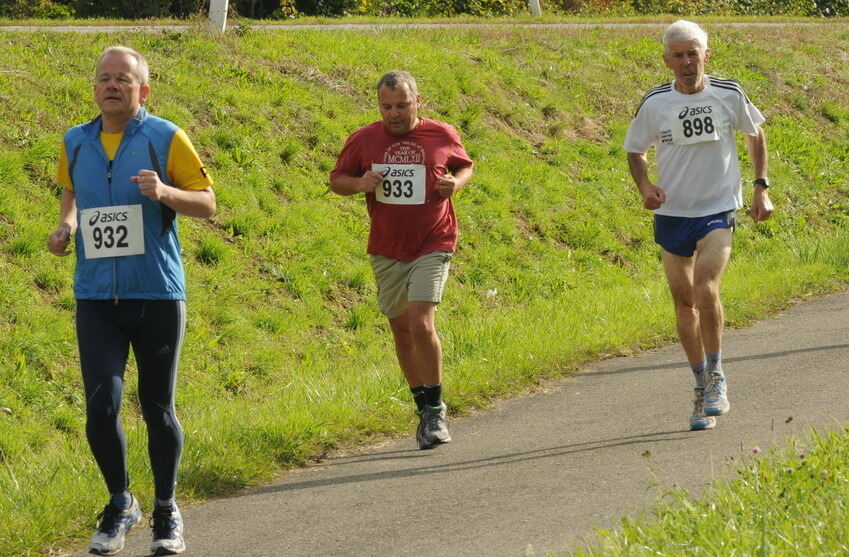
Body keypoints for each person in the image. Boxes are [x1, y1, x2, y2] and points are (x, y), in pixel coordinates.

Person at [47, 46, 215, 556]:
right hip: (96, 296)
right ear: (94, 88)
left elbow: (207, 204)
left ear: (144, 90)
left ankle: (167, 509)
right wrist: (65, 227)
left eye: (123, 79)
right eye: (103, 79)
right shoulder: (76, 142)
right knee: (101, 408)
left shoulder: (166, 137)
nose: (111, 86)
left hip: (157, 294)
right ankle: (121, 502)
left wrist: (164, 192)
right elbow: (72, 193)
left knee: (157, 406)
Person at [623, 20, 773, 431]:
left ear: (707, 54)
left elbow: (754, 133)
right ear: (667, 60)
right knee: (684, 303)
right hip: (673, 214)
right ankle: (700, 384)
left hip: (717, 209)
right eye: (678, 55)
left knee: (707, 288)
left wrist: (761, 187)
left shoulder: (728, 93)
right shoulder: (655, 102)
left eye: (693, 53)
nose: (687, 62)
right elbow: (635, 150)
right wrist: (645, 185)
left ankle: (718, 375)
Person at [329, 70, 474, 450]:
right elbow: (336, 178)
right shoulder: (364, 139)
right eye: (386, 106)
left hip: (434, 241)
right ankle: (423, 407)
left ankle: (436, 410)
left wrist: (455, 184)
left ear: (417, 101)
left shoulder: (441, 134)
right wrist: (358, 184)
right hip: (387, 247)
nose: (394, 114)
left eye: (402, 105)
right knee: (402, 331)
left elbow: (464, 164)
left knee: (421, 321)